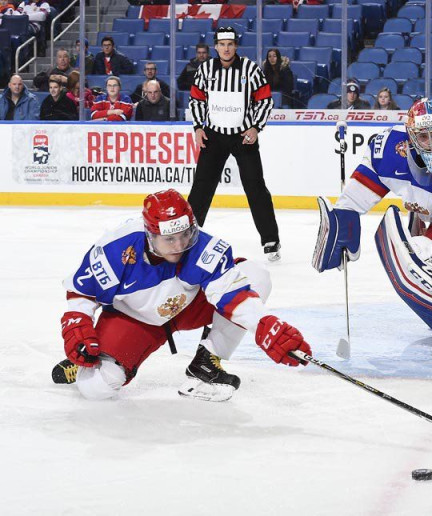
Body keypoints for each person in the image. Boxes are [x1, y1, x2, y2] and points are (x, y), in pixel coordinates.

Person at [50, 189, 312, 402]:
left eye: (185, 235)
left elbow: (234, 293)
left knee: (254, 274)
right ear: (150, 235)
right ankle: (90, 361)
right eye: (170, 239)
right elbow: (82, 291)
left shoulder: (202, 247)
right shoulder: (116, 248)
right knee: (96, 389)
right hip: (134, 320)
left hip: (189, 307)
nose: (180, 245)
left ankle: (206, 362)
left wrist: (267, 327)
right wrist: (79, 326)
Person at [312, 98, 432, 356]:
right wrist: (344, 219)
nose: (430, 143)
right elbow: (361, 190)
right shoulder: (389, 149)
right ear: (409, 135)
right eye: (422, 136)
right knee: (424, 253)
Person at [188, 27, 282, 261]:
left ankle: (271, 239)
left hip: (243, 136)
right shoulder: (205, 69)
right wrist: (199, 126)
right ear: (216, 47)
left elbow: (265, 101)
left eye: (230, 44)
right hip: (214, 135)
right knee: (201, 187)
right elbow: (197, 99)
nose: (226, 48)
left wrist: (255, 127)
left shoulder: (250, 69)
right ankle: (187, 237)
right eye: (222, 44)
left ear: (236, 46)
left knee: (255, 187)